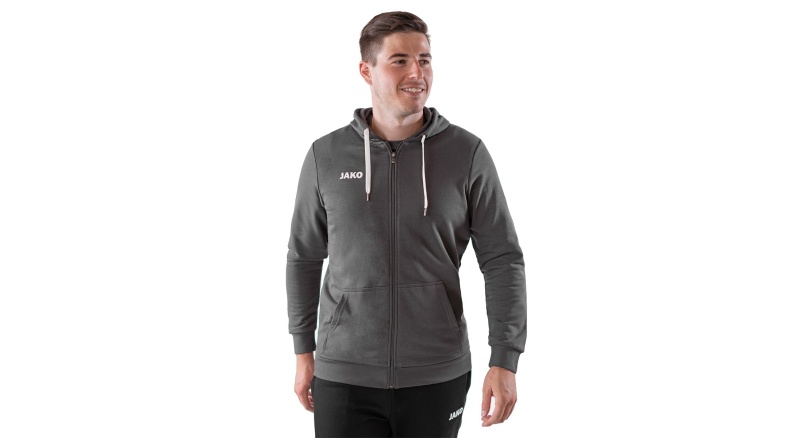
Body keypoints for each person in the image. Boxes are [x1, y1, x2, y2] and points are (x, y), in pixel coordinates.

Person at [286, 11, 527, 437]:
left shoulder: (466, 153)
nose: (417, 72)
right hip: (344, 374)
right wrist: (303, 351)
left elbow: (502, 259)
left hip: (437, 373)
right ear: (367, 71)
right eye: (400, 60)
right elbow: (303, 257)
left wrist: (505, 359)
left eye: (425, 59)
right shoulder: (326, 156)